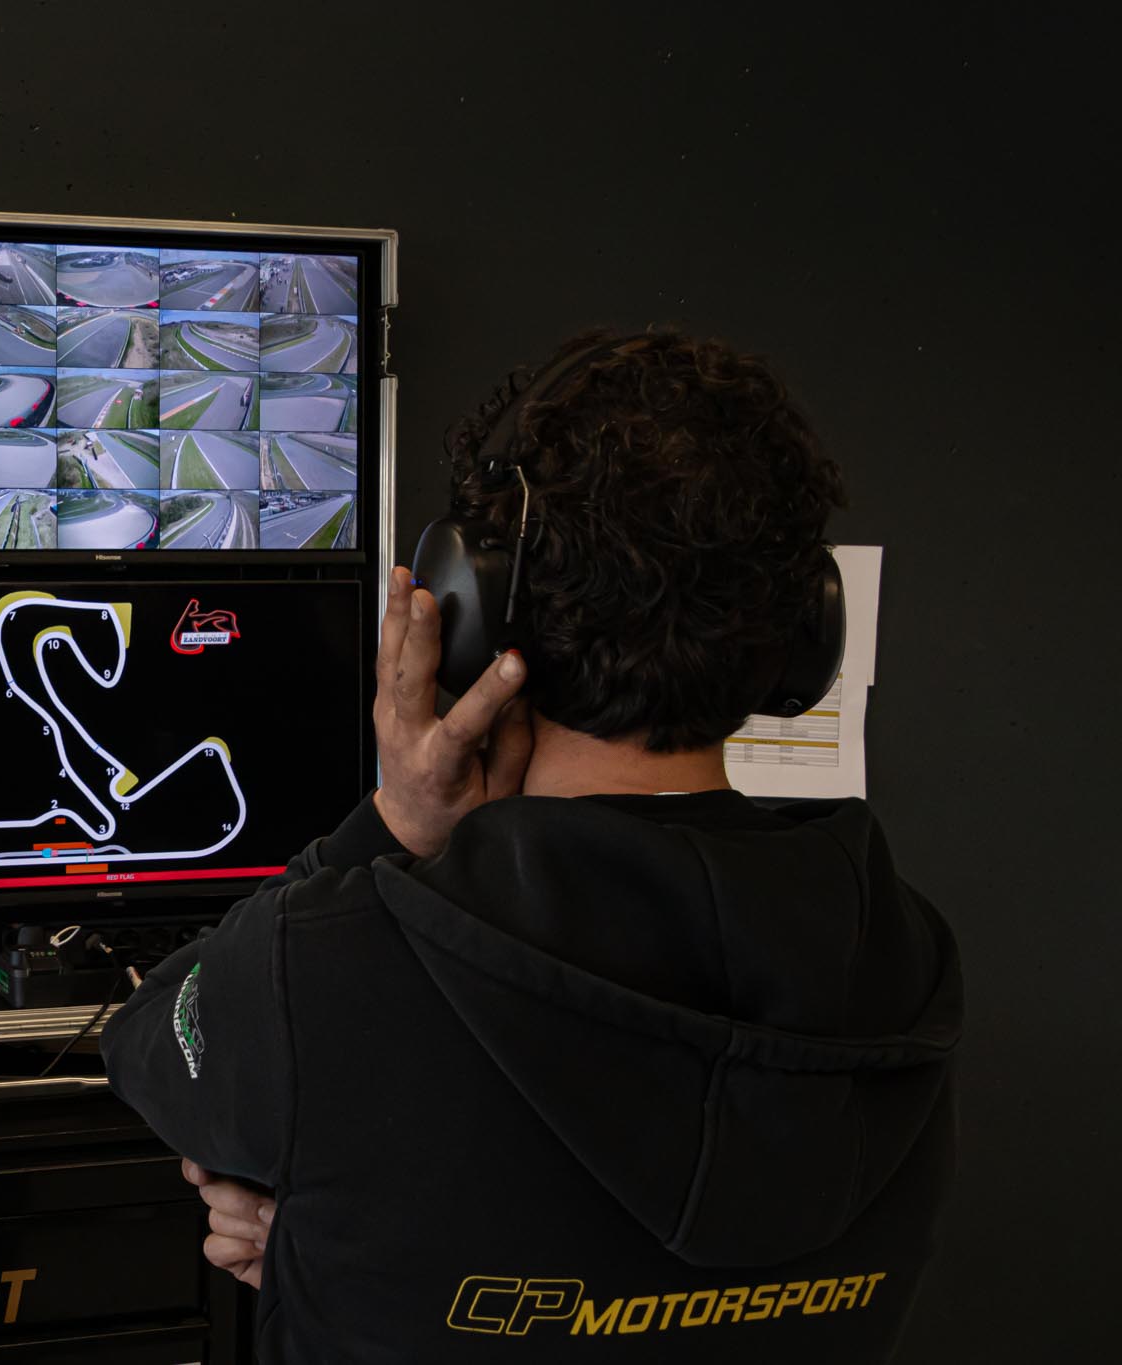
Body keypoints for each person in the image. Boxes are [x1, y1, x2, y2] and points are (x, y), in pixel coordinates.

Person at [100, 330, 962, 1363]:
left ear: (470, 604)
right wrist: (352, 1260)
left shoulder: (332, 963)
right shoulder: (899, 955)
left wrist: (394, 825)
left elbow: (148, 1039)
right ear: (807, 630)